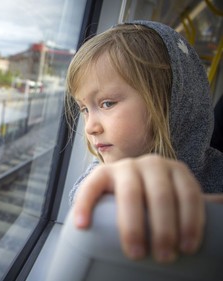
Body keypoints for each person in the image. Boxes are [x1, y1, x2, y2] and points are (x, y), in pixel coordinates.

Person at [65, 20, 223, 264]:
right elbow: (82, 197)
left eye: (107, 103)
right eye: (84, 109)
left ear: (172, 103)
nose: (90, 127)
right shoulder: (103, 174)